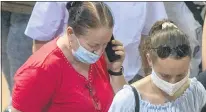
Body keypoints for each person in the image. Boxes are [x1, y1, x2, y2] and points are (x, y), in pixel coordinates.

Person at [94, 20, 206, 112]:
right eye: (165, 76)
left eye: (180, 75)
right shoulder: (128, 100)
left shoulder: (195, 92)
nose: (173, 83)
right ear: (149, 60)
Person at [24, 1, 168, 83]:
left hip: (124, 78)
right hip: (69, 81)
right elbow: (41, 38)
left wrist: (152, 82)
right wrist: (47, 82)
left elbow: (153, 34)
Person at [1, 2, 34, 112]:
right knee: (3, 51)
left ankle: (20, 104)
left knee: (17, 53)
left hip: (26, 6)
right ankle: (14, 98)